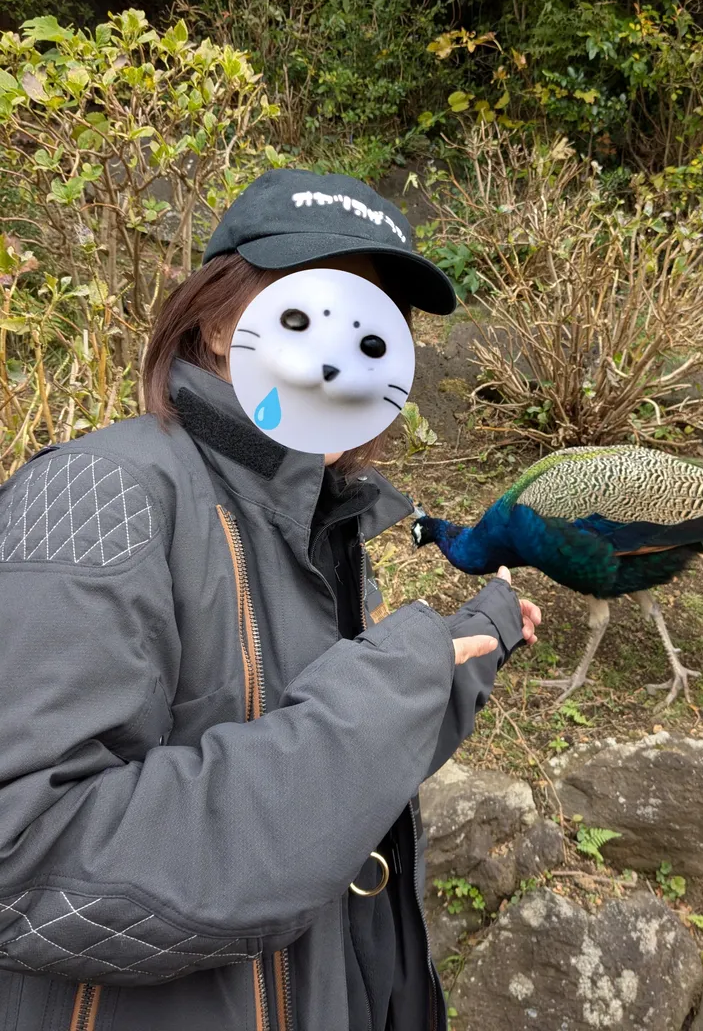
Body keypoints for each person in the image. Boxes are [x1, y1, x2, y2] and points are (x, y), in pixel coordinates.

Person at [0, 169, 541, 1031]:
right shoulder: (100, 495)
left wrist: (479, 639)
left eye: (374, 328)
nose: (340, 351)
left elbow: (324, 750)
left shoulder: (316, 519)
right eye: (308, 307)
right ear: (218, 324)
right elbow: (23, 858)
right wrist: (385, 692)